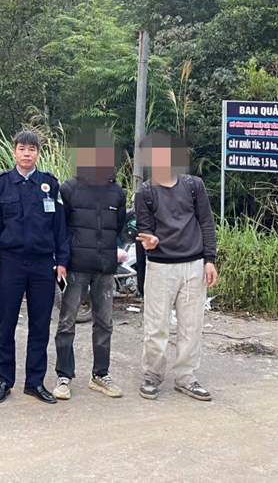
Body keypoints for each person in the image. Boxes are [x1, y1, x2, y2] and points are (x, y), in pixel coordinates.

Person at [0, 129, 69, 404]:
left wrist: (62, 261)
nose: (27, 154)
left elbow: (60, 228)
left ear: (38, 154)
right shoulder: (1, 185)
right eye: (22, 149)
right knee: (5, 323)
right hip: (11, 263)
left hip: (43, 264)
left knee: (40, 325)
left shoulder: (49, 185)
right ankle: (3, 381)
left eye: (32, 149)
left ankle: (35, 382)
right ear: (14, 152)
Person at [134, 131, 218, 402]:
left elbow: (206, 222)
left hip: (194, 265)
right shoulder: (145, 192)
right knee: (156, 326)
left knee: (191, 326)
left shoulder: (194, 186)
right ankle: (152, 375)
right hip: (160, 267)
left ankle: (186, 377)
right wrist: (150, 241)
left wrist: (210, 259)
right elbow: (145, 229)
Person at [52, 135, 129, 400]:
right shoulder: (69, 189)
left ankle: (100, 375)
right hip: (75, 267)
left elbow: (118, 227)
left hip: (105, 268)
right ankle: (64, 376)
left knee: (105, 323)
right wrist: (61, 262)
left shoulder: (116, 192)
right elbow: (60, 228)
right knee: (67, 322)